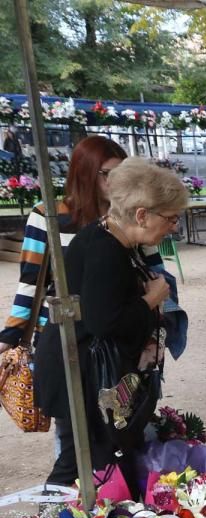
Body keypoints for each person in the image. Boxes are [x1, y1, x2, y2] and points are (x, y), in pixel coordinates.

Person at [33, 159, 184, 491]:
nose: (173, 227)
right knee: (79, 461)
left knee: (105, 458)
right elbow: (106, 322)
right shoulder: (106, 250)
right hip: (81, 373)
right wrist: (152, 298)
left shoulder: (111, 238)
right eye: (170, 218)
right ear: (142, 214)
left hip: (88, 370)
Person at [2, 136, 130, 486]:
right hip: (65, 342)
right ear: (86, 173)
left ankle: (112, 511)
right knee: (73, 439)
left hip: (116, 341)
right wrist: (9, 336)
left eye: (123, 174)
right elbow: (30, 283)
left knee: (120, 429)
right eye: (108, 174)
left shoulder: (128, 213)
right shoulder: (47, 216)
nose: (117, 183)